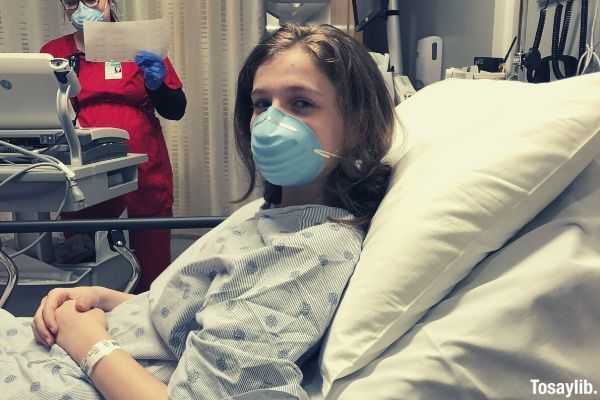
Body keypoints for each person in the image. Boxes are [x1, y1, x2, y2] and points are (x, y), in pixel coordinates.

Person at [0, 24, 396, 399]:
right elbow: (200, 312)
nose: (271, 123)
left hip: (73, 363)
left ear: (360, 123)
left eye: (301, 103)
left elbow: (174, 106)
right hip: (83, 339)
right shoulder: (273, 212)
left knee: (148, 245)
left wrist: (85, 341)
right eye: (262, 103)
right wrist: (104, 298)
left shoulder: (310, 249)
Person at [41, 0, 187, 293]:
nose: (82, 7)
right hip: (85, 165)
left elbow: (176, 109)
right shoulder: (54, 52)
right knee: (84, 261)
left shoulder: (138, 45)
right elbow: (41, 109)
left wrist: (157, 84)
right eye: (72, 1)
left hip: (144, 162)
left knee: (152, 256)